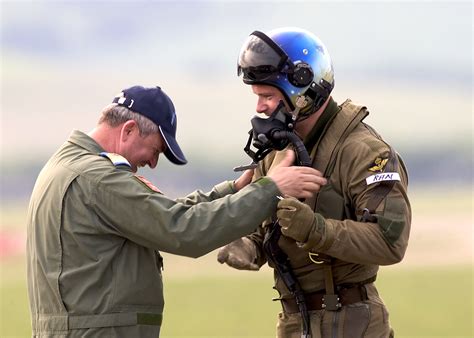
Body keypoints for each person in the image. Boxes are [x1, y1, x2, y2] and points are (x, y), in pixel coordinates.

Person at [26, 85, 327, 337]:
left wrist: (233, 190)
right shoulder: (98, 179)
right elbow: (183, 230)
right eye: (155, 150)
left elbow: (160, 213)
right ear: (129, 130)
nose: (153, 163)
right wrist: (271, 188)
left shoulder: (68, 166)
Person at [217, 27, 411, 338]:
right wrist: (252, 243)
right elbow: (274, 223)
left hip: (354, 324)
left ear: (303, 90)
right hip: (295, 322)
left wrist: (316, 229)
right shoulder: (277, 152)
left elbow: (391, 243)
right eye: (257, 96)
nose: (260, 108)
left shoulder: (364, 151)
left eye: (267, 95)